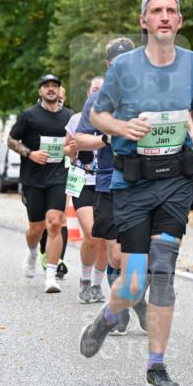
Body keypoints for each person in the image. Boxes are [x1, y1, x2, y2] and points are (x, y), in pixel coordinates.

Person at [80, 0, 193, 386]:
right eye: (156, 11)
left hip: (175, 179)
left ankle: (156, 367)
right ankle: (107, 316)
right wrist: (121, 128)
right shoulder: (123, 67)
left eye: (171, 11)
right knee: (134, 283)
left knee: (162, 270)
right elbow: (96, 114)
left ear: (179, 21)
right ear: (144, 21)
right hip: (133, 182)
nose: (163, 17)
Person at [77, 37, 150, 332]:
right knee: (117, 255)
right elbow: (79, 140)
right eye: (116, 61)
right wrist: (109, 137)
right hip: (109, 182)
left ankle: (132, 299)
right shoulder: (97, 100)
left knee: (140, 256)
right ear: (108, 65)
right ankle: (129, 305)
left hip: (145, 182)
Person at [8, 74, 75, 293]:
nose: (51, 89)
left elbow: (75, 143)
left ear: (59, 90)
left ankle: (51, 275)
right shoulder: (29, 115)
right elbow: (11, 140)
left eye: (55, 86)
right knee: (36, 228)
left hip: (58, 175)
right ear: (40, 91)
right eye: (46, 86)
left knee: (55, 223)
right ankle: (32, 251)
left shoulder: (70, 116)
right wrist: (30, 153)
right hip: (33, 178)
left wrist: (71, 150)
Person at [65, 77, 109, 303]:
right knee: (92, 234)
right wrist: (71, 148)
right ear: (88, 93)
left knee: (104, 238)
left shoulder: (114, 116)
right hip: (83, 179)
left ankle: (97, 284)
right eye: (95, 89)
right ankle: (84, 279)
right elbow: (65, 148)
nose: (98, 93)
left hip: (106, 180)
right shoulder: (76, 119)